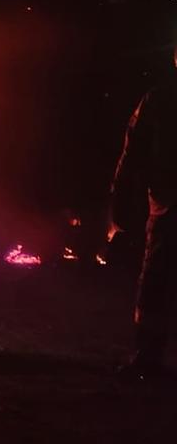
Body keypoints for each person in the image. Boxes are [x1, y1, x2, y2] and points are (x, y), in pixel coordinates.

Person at [113, 52, 177, 378]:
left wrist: (120, 196)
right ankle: (147, 356)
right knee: (156, 281)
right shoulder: (159, 99)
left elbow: (132, 150)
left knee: (156, 280)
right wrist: (121, 197)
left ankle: (147, 356)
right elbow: (133, 148)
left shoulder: (159, 99)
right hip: (165, 203)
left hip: (166, 205)